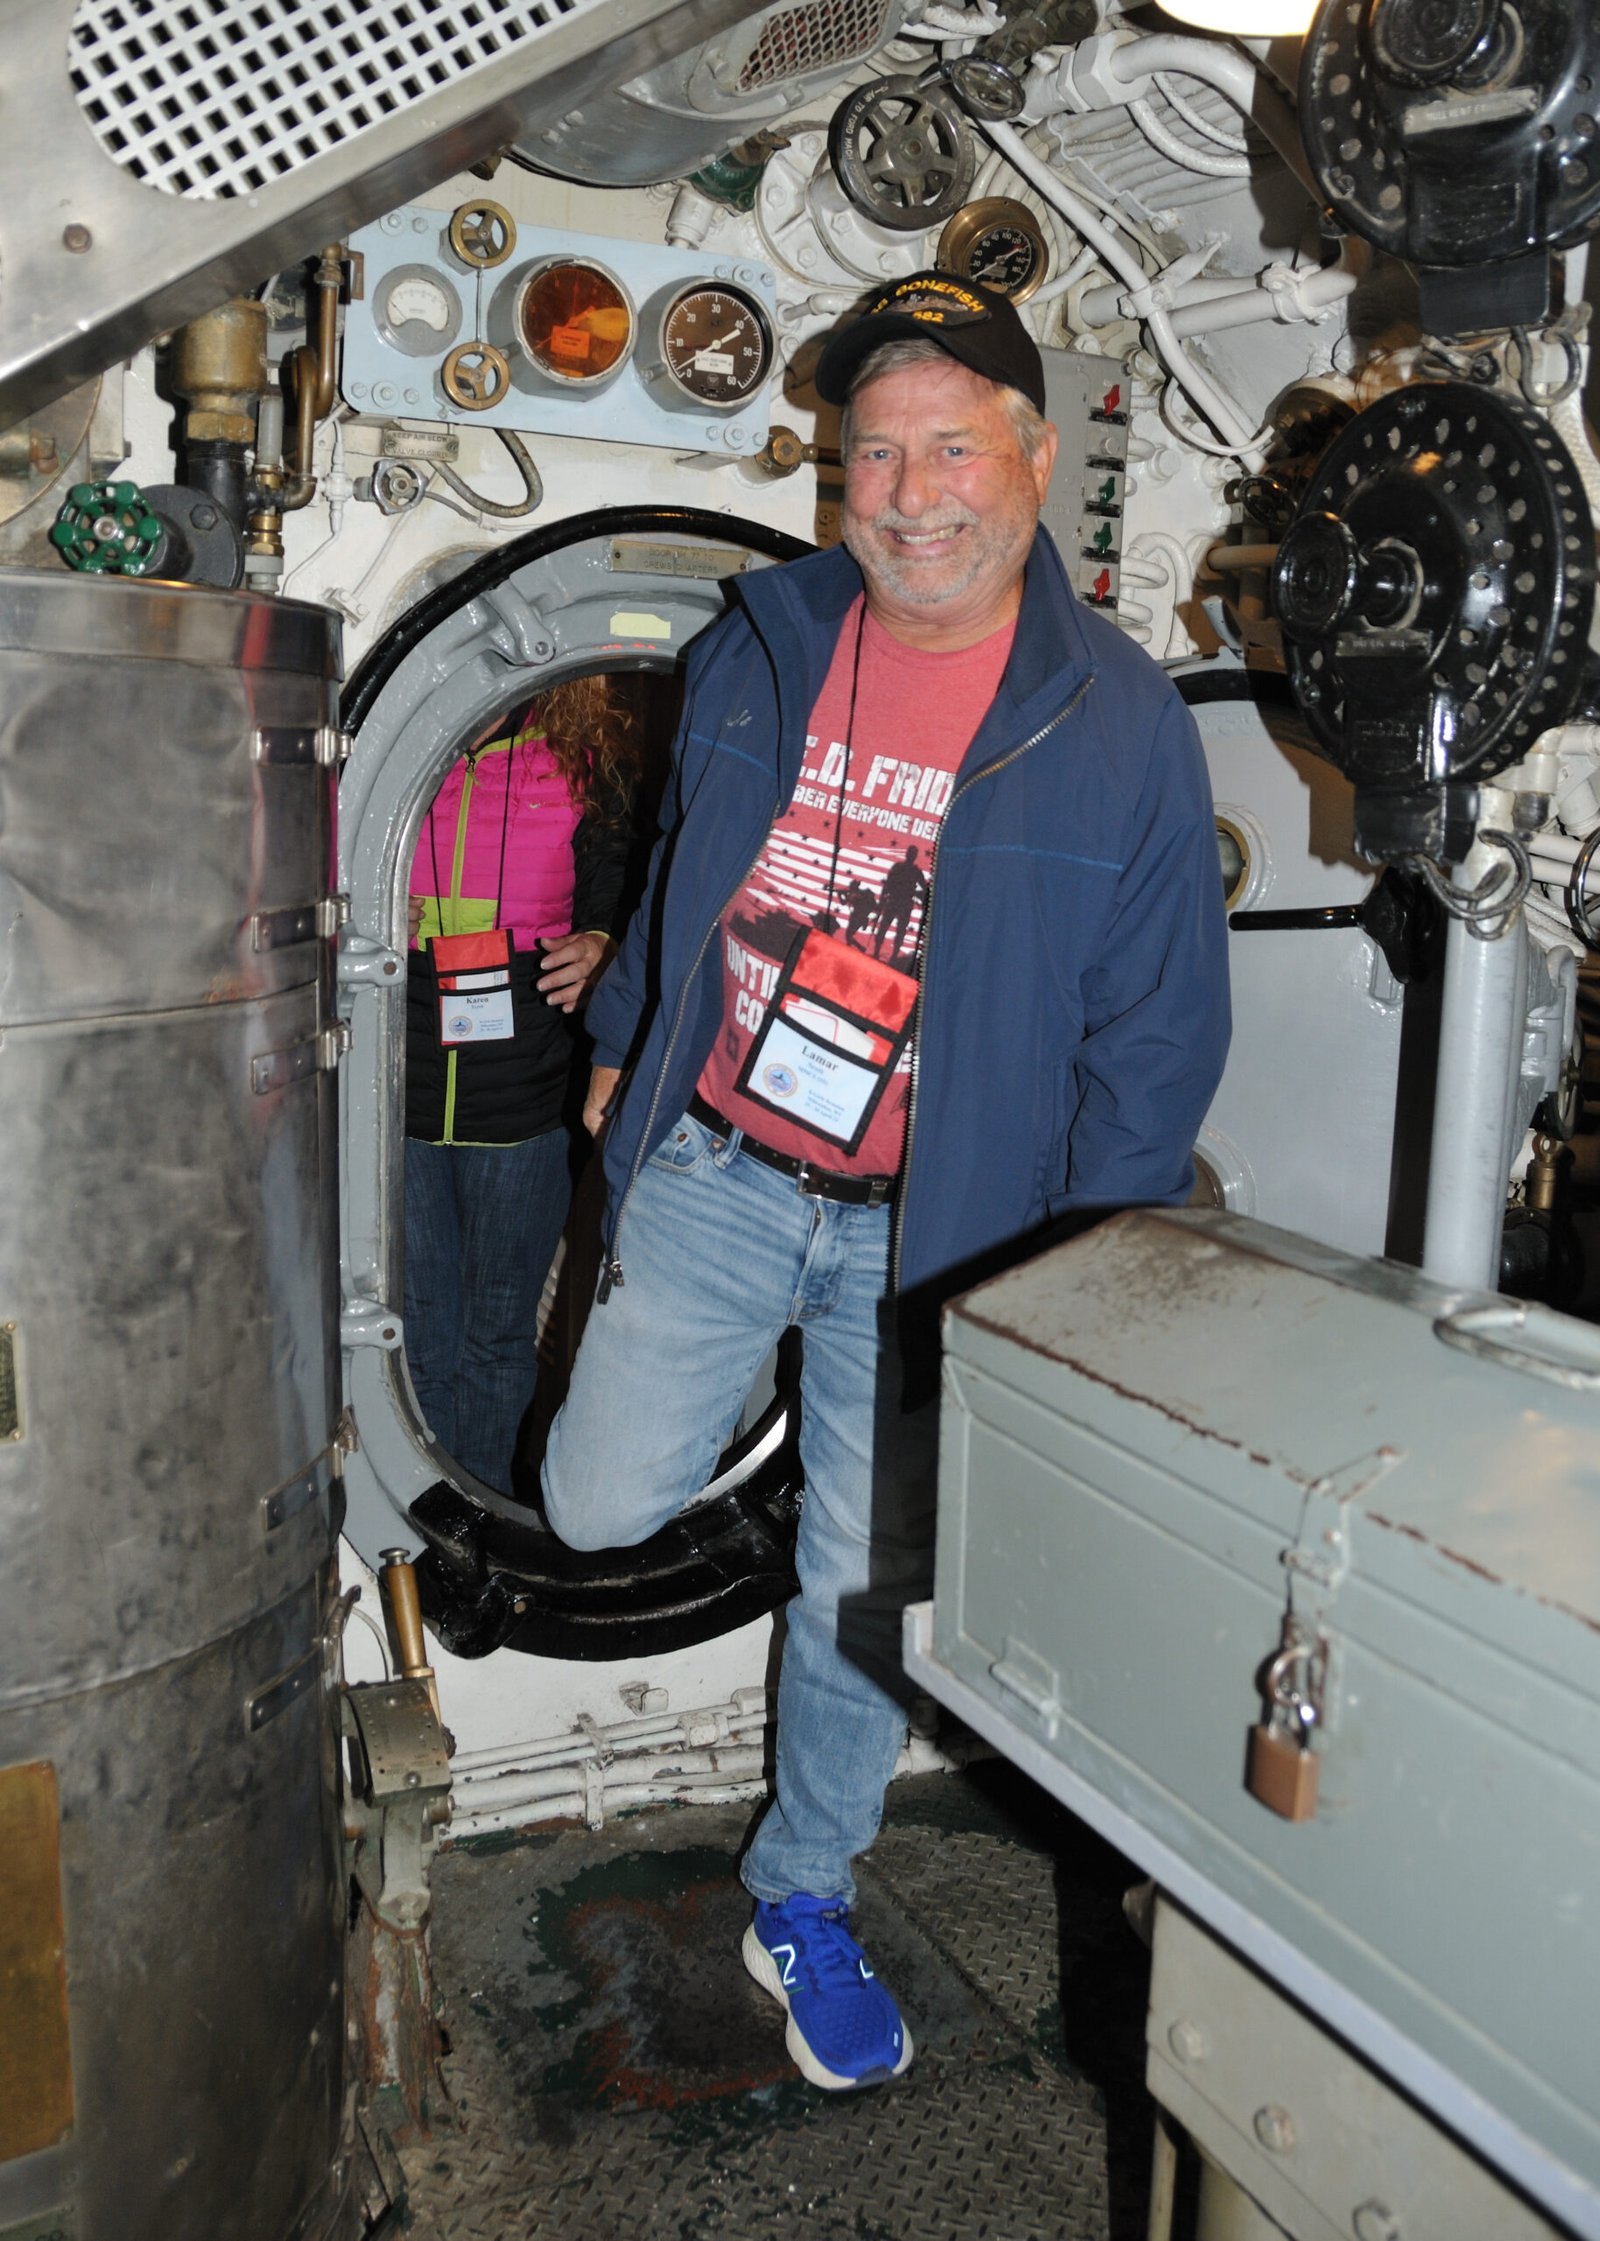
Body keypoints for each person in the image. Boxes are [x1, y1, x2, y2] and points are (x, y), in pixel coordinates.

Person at [540, 273, 1230, 2091]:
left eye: (953, 448)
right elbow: (681, 860)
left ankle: (802, 1891)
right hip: (723, 1164)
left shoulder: (1120, 721)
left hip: (935, 1233)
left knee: (863, 1589)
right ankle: (824, 1494)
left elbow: (1157, 1039)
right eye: (875, 454)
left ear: (1036, 456)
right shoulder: (759, 642)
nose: (914, 495)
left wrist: (1079, 1277)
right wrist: (625, 1026)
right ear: (836, 472)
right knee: (595, 1507)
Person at [404, 676, 636, 1495]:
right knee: (421, 1337)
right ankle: (428, 1515)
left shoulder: (584, 757)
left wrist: (604, 941)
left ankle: (485, 1507)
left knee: (497, 1340)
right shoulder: (396, 741)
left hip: (526, 1103)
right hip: (400, 1098)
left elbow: (626, 884)